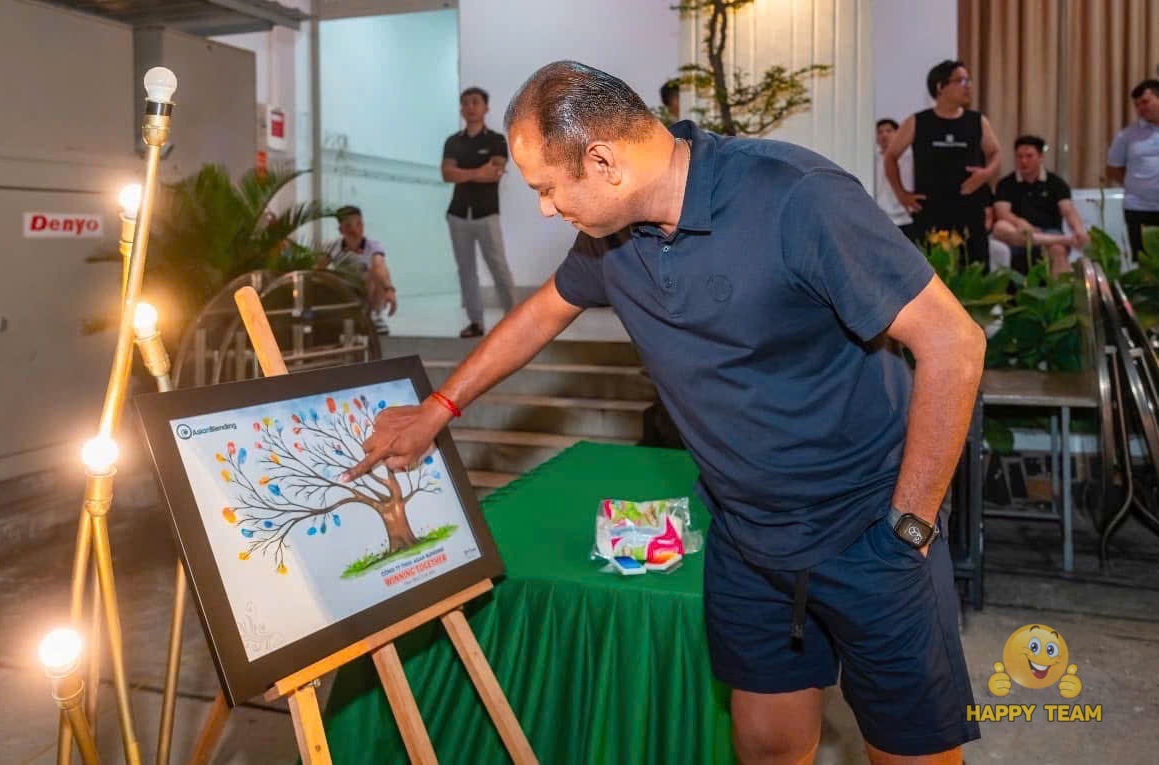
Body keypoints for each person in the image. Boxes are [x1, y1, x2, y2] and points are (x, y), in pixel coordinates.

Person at [345, 61, 985, 763]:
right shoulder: (613, 235)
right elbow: (542, 314)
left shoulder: (797, 196)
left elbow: (954, 343)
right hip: (747, 539)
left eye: (547, 188)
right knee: (767, 747)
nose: (546, 209)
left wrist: (911, 525)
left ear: (603, 161)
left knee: (909, 752)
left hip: (866, 528)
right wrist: (438, 408)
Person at [885, 60, 1001, 268]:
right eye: (961, 81)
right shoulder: (918, 122)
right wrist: (902, 194)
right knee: (932, 271)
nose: (968, 86)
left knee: (974, 267)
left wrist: (986, 173)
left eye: (968, 80)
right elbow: (890, 156)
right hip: (931, 210)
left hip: (970, 208)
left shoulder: (977, 121)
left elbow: (995, 153)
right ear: (940, 87)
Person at [441, 86, 517, 338]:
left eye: (475, 102)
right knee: (466, 270)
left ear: (486, 108)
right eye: (465, 103)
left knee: (499, 267)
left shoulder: (496, 140)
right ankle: (476, 322)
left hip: (487, 214)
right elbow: (446, 173)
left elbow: (494, 173)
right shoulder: (453, 141)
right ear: (461, 109)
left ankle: (514, 321)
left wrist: (463, 173)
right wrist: (478, 172)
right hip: (458, 215)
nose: (470, 107)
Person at [993, 135, 1088, 276]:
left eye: (1029, 156)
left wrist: (1078, 229)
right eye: (1019, 156)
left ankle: (1059, 289)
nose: (1023, 161)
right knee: (1000, 227)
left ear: (1041, 157)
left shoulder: (1056, 183)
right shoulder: (1005, 184)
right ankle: (1065, 240)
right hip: (1019, 235)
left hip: (1050, 232)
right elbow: (1002, 213)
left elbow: (1068, 211)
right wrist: (1020, 222)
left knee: (1058, 250)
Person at [319, 205, 396, 335]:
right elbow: (318, 269)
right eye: (348, 226)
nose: (355, 230)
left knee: (375, 272)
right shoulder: (332, 247)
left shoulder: (373, 246)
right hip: (344, 293)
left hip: (367, 293)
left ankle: (375, 316)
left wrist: (389, 289)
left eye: (358, 224)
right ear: (341, 230)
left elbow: (379, 266)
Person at [1107, 79, 1159, 259]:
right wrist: (1137, 185)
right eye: (1137, 105)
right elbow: (1113, 168)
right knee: (1144, 262)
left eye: (1145, 102)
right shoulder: (1126, 135)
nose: (1141, 108)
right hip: (1138, 208)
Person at [874, 118, 915, 239]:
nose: (884, 135)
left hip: (906, 218)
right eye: (880, 132)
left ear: (898, 133)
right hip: (880, 218)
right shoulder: (872, 160)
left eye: (888, 131)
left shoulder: (910, 158)